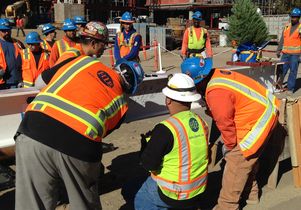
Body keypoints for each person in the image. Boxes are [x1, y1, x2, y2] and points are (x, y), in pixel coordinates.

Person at [14, 21, 145, 210]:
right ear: (129, 88)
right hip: (77, 144)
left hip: (32, 128)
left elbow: (40, 83)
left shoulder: (81, 61)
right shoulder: (122, 105)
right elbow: (100, 131)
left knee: (32, 204)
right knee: (83, 202)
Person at [181, 57, 280, 210]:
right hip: (264, 111)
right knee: (248, 159)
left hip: (259, 120)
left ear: (197, 81)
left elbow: (224, 123)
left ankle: (227, 206)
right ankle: (251, 194)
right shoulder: (218, 75)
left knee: (235, 162)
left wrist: (230, 146)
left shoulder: (215, 92)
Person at [135, 73, 209, 210]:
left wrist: (146, 147)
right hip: (198, 189)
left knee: (141, 197)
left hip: (173, 194)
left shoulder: (165, 129)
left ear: (168, 100)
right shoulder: (201, 122)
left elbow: (148, 164)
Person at [276, 7, 301, 95]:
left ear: (299, 18)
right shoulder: (286, 27)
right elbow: (282, 39)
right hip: (285, 54)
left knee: (293, 71)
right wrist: (278, 50)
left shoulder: (300, 28)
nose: (293, 18)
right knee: (281, 70)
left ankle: (290, 89)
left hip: (295, 55)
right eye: (292, 16)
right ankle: (278, 85)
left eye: (295, 17)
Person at [0, 18, 24, 89]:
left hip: (17, 81)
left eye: (8, 30)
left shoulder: (17, 43)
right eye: (4, 31)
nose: (7, 32)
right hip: (2, 82)